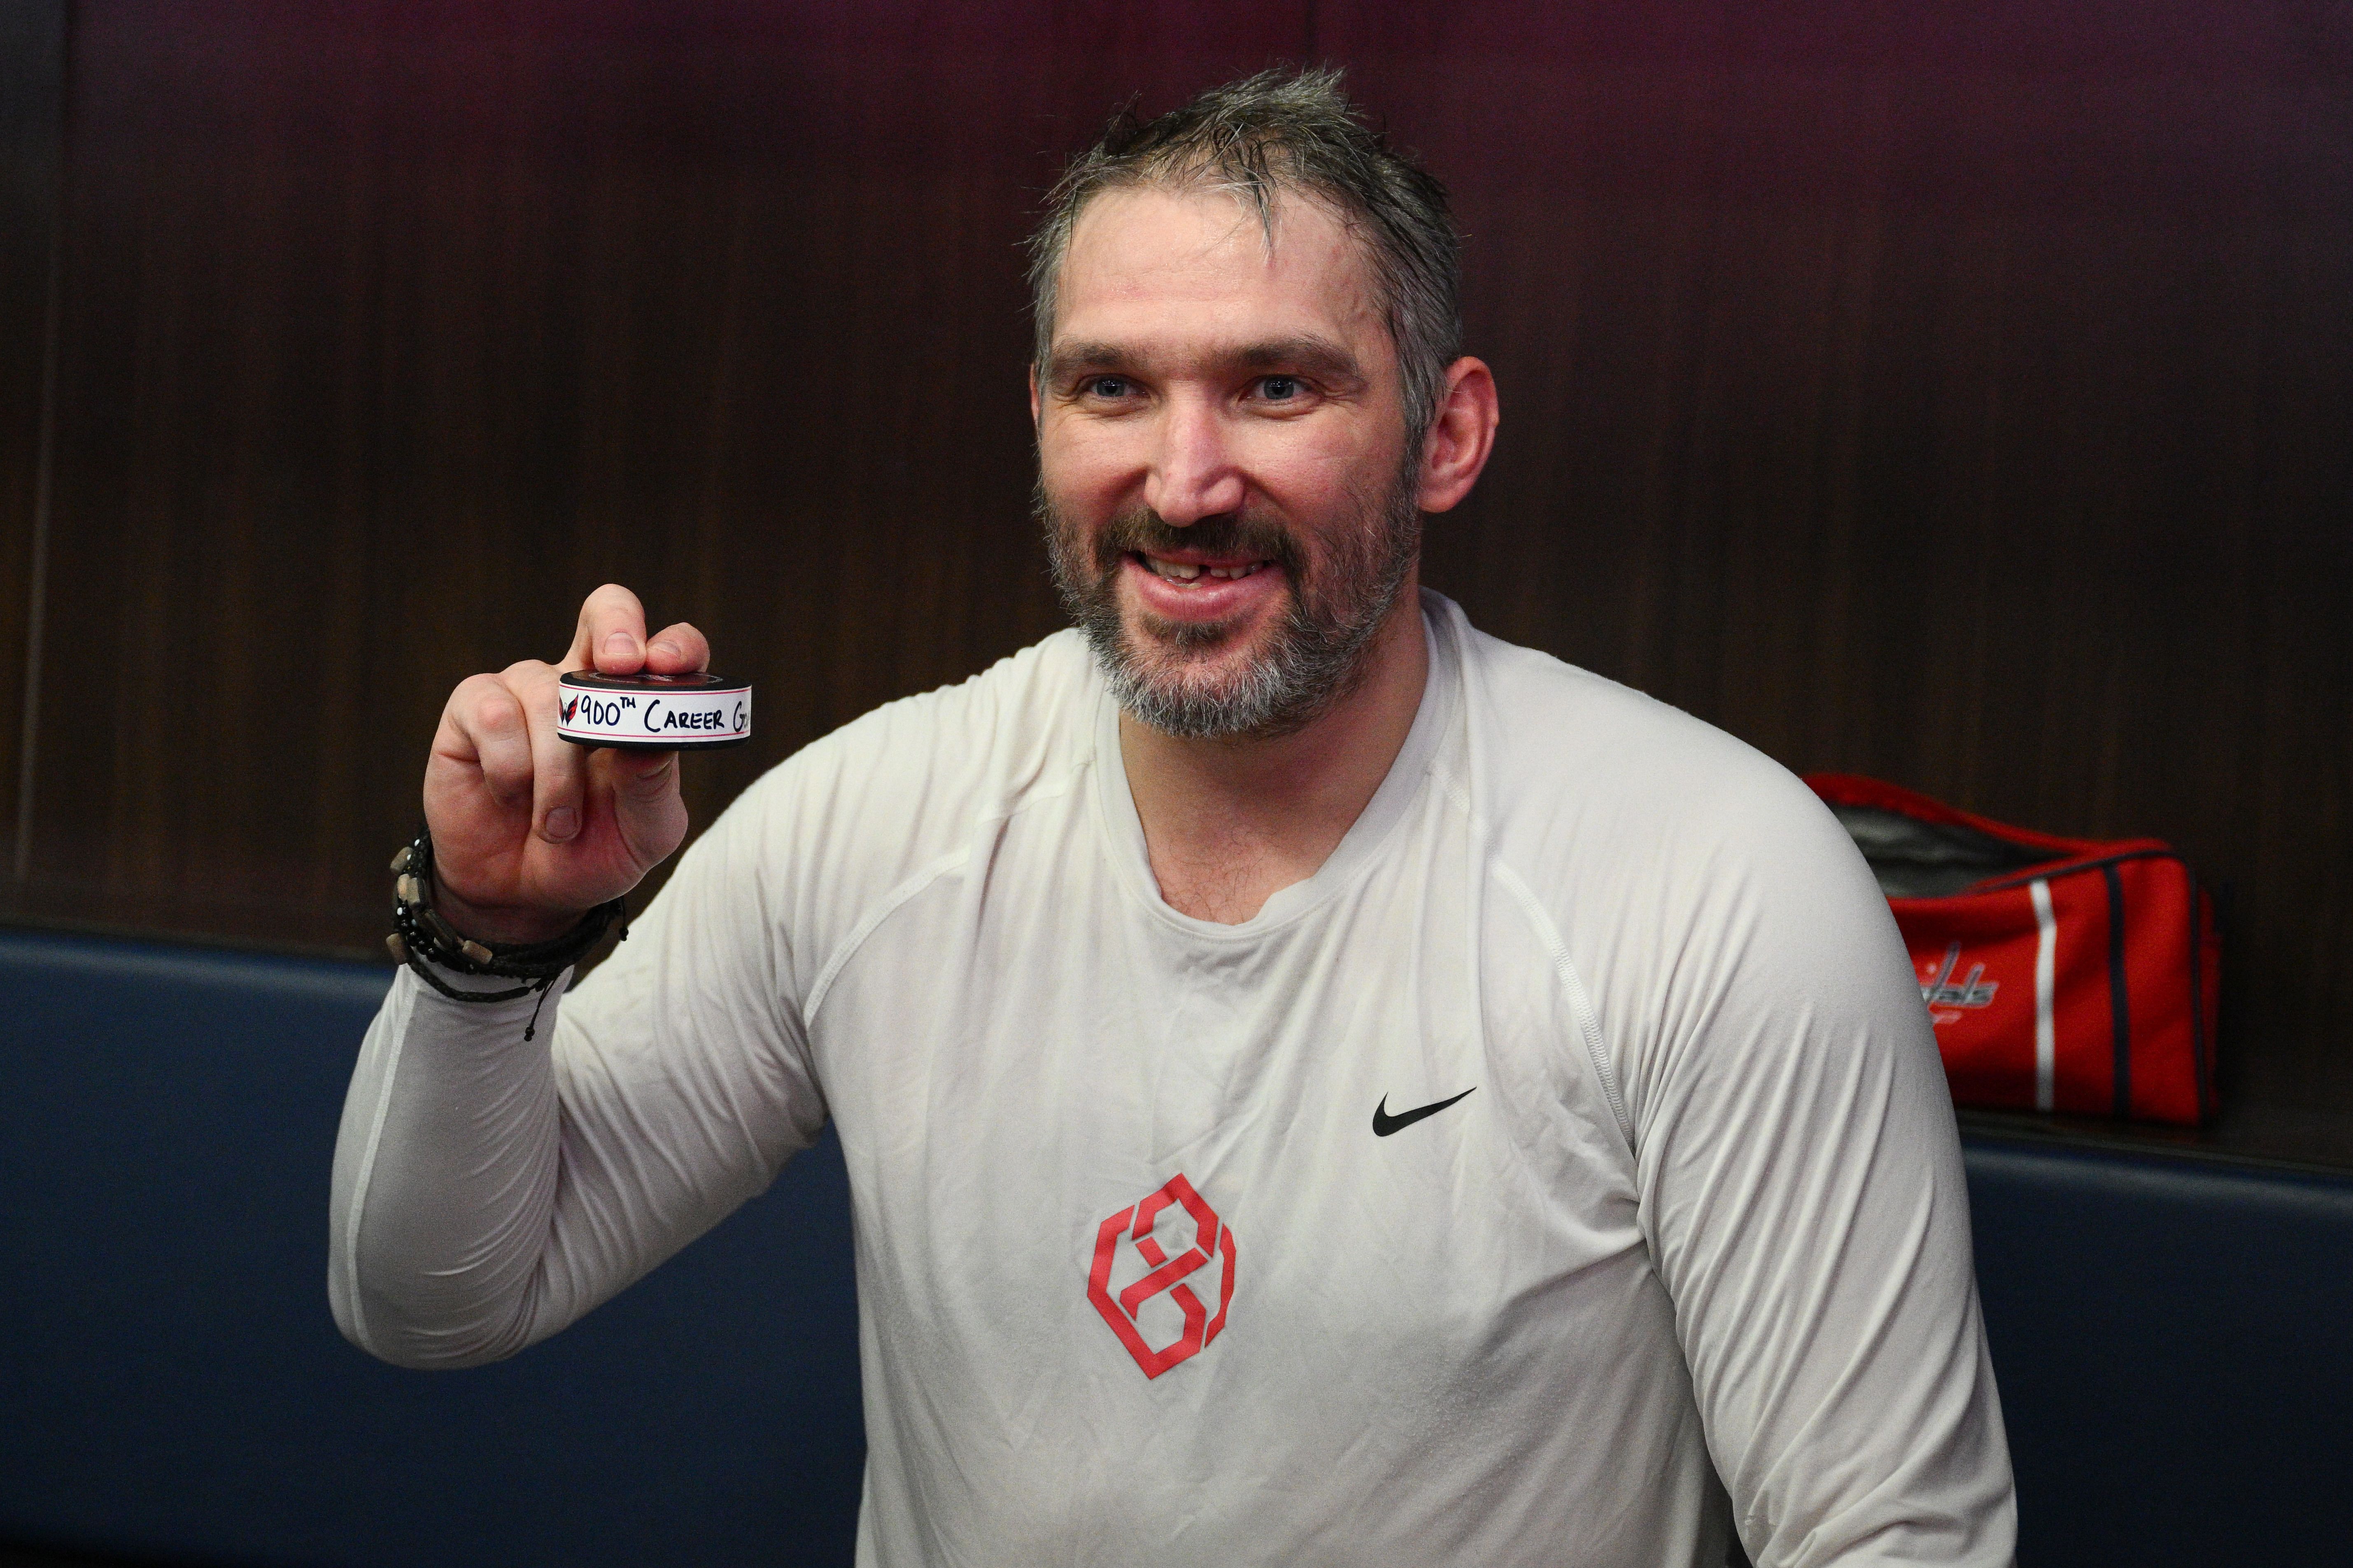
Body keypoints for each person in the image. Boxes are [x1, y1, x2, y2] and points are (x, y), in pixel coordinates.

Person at [331, 69, 2015, 1566]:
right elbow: (435, 1296)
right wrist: (495, 939)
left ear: (1444, 435)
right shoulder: (878, 826)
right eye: (1113, 388)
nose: (1184, 479)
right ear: (1041, 418)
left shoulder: (1707, 878)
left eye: (1275, 387)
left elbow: (1890, 1537)